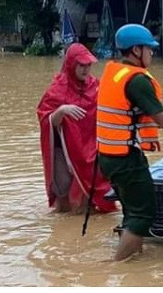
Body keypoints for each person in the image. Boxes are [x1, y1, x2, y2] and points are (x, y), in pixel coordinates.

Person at [96, 24, 163, 261]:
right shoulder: (137, 80)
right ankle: (117, 267)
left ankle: (133, 264)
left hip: (108, 155)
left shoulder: (116, 72)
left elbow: (136, 114)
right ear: (136, 50)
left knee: (132, 212)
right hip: (126, 159)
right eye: (149, 49)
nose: (153, 53)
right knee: (143, 215)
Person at [36, 42, 116, 214]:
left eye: (88, 65)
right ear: (72, 64)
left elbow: (112, 107)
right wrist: (62, 110)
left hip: (90, 147)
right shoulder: (58, 89)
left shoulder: (96, 86)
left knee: (93, 190)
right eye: (81, 65)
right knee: (63, 195)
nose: (86, 70)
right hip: (64, 151)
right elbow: (46, 120)